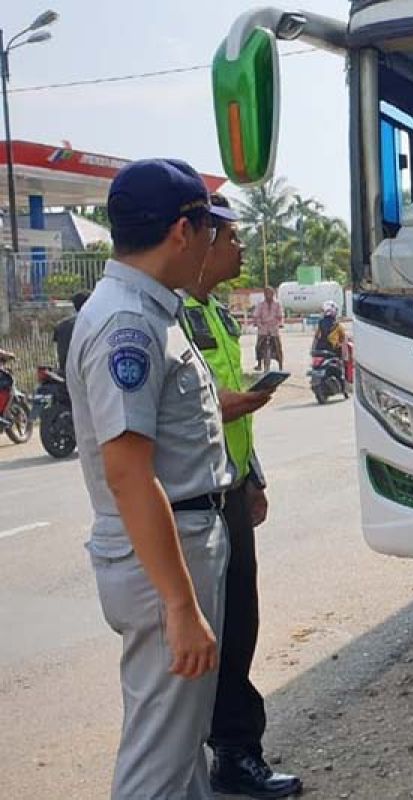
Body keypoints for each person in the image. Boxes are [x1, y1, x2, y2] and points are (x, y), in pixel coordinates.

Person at [66, 158, 238, 799]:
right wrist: (179, 603)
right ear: (181, 232)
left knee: (179, 742)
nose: (213, 243)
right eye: (208, 227)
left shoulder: (149, 309)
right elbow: (128, 475)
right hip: (163, 558)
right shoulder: (128, 325)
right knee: (158, 758)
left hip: (180, 541)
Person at [180, 193, 303, 798]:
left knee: (240, 623)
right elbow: (194, 408)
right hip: (192, 496)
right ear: (200, 240)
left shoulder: (221, 317)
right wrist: (239, 403)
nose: (237, 250)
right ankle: (216, 753)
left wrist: (253, 476)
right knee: (207, 633)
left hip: (229, 487)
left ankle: (232, 752)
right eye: (229, 238)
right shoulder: (172, 318)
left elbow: (231, 415)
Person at [53, 291, 91, 373]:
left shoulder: (60, 325)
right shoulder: (91, 324)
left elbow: (56, 350)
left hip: (64, 370)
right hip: (85, 370)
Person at [251, 286, 284, 371]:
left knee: (278, 347)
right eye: (267, 294)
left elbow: (280, 316)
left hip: (274, 328)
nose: (268, 295)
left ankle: (280, 365)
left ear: (273, 294)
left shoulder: (277, 304)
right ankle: (259, 363)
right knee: (258, 346)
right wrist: (257, 323)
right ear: (264, 294)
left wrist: (280, 324)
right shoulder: (260, 304)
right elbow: (256, 315)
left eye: (270, 293)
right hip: (263, 328)